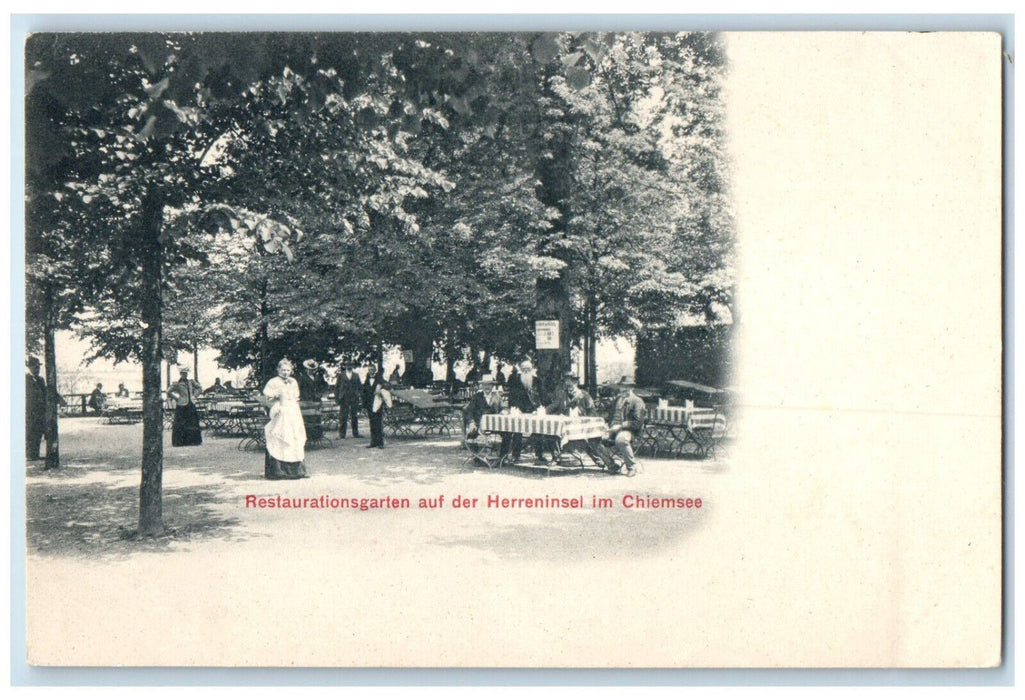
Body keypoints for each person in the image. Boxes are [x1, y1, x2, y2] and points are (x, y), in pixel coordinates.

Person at [258, 358, 308, 479]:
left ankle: (296, 471)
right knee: (279, 437)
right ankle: (278, 471)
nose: (285, 372)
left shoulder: (293, 382)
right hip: (280, 412)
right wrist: (276, 397)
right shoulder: (273, 382)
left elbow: (296, 397)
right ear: (278, 370)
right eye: (283, 370)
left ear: (291, 370)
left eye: (288, 370)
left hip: (292, 412)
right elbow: (267, 399)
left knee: (294, 437)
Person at [500, 360, 541, 463]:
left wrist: (540, 408)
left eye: (528, 369)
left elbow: (542, 395)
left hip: (533, 410)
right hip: (519, 409)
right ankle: (515, 455)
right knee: (516, 429)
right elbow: (511, 396)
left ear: (532, 370)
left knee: (539, 429)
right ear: (520, 370)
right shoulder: (515, 380)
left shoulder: (537, 380)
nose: (526, 371)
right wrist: (513, 408)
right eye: (524, 369)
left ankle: (539, 455)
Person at [608, 382, 646, 477]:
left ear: (631, 388)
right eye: (622, 387)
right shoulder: (617, 399)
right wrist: (608, 425)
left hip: (631, 431)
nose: (623, 389)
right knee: (595, 437)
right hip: (614, 429)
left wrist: (620, 426)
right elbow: (611, 416)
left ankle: (632, 467)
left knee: (621, 439)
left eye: (626, 387)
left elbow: (637, 423)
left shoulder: (637, 401)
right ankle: (611, 465)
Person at [168, 368, 203, 446]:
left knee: (192, 422)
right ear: (180, 374)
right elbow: (169, 391)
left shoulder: (191, 382)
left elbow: (200, 388)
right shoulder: (177, 383)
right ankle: (180, 442)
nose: (185, 375)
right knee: (181, 423)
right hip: (182, 405)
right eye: (183, 373)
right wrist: (177, 398)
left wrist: (194, 395)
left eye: (186, 373)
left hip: (191, 404)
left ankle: (193, 441)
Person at [462, 375, 503, 441]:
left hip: (495, 425)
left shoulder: (497, 396)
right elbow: (469, 411)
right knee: (473, 433)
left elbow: (504, 408)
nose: (487, 387)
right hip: (479, 426)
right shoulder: (477, 397)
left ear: (492, 386)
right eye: (485, 385)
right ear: (482, 386)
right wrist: (471, 423)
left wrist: (503, 412)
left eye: (489, 385)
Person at [26, 357, 47, 461]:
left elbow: (45, 392)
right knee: (30, 432)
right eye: (35, 367)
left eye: (38, 367)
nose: (37, 369)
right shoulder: (25, 380)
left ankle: (35, 454)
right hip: (30, 411)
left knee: (38, 432)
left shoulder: (41, 380)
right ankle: (29, 454)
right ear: (29, 367)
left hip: (40, 411)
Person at [335, 361, 363, 438]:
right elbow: (337, 387)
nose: (349, 366)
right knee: (343, 416)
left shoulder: (356, 375)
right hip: (344, 398)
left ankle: (356, 433)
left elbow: (360, 387)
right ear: (345, 366)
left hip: (354, 397)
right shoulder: (341, 375)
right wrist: (337, 398)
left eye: (350, 365)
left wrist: (360, 396)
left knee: (354, 416)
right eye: (347, 365)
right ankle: (342, 434)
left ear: (352, 366)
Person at [362, 364, 386, 448]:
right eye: (369, 369)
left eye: (372, 369)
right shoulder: (366, 379)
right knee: (372, 423)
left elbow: (385, 389)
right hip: (369, 404)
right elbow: (364, 393)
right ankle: (373, 442)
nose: (371, 371)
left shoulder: (379, 379)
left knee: (378, 423)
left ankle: (380, 443)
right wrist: (364, 405)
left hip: (378, 403)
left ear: (375, 370)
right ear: (368, 370)